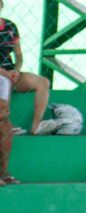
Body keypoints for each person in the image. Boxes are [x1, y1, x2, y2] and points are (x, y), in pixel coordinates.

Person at [0, 0, 50, 136]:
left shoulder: (10, 27)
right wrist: (4, 73)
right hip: (3, 75)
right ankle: (6, 125)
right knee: (4, 81)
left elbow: (19, 55)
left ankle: (36, 126)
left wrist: (16, 70)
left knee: (43, 82)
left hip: (10, 72)